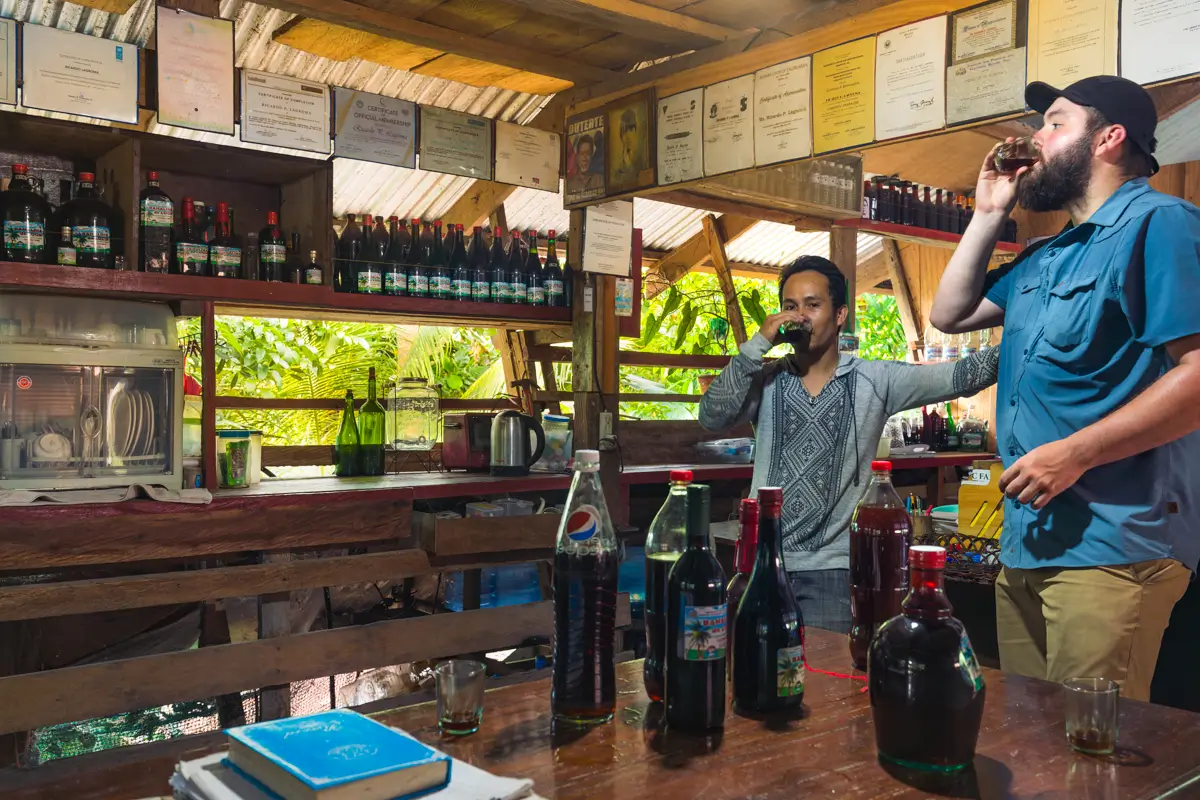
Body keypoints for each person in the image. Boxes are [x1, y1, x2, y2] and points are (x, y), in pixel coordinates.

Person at [928, 76, 1200, 702]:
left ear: (1109, 138)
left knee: (1088, 759)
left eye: (1054, 122)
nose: (1035, 137)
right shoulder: (1048, 255)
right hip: (1027, 546)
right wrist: (989, 212)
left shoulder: (1161, 224)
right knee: (1032, 753)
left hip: (1113, 548)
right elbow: (949, 313)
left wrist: (1076, 453)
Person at [699, 256, 999, 632]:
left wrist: (1026, 328)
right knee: (759, 679)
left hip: (835, 572)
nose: (799, 316)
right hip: (764, 565)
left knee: (829, 685)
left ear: (840, 315)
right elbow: (711, 416)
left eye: (812, 304)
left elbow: (962, 376)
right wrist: (758, 343)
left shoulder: (876, 380)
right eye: (790, 306)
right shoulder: (766, 380)